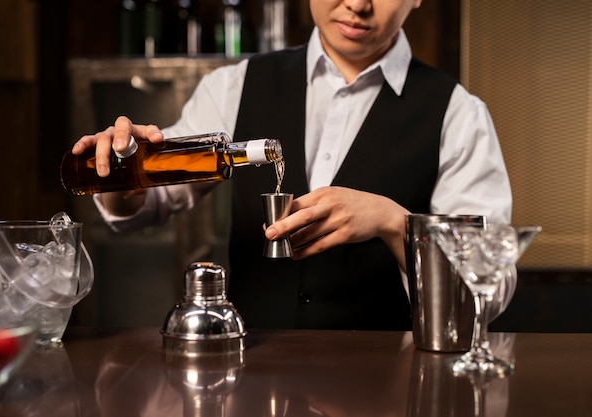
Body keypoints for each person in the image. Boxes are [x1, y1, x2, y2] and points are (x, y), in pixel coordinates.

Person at [71, 0, 513, 330]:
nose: (357, 4)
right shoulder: (234, 86)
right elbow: (147, 207)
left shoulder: (458, 113)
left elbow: (486, 292)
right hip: (249, 379)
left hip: (390, 383)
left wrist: (395, 223)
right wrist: (124, 173)